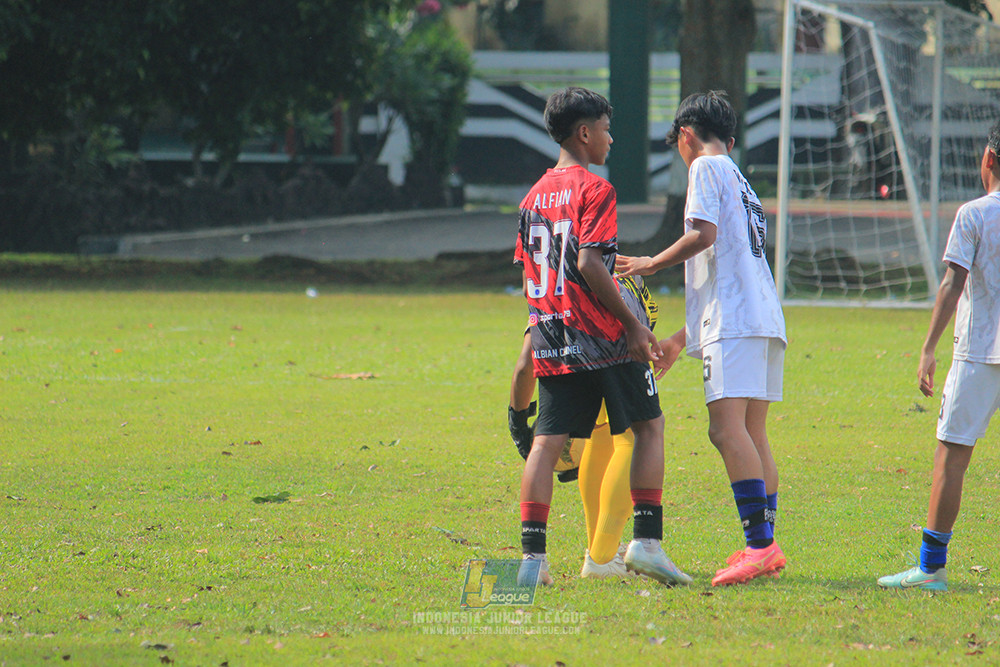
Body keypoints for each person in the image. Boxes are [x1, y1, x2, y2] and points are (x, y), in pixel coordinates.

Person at [513, 86, 691, 587]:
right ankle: (647, 543)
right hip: (604, 337)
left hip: (552, 334)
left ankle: (532, 562)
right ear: (585, 132)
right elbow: (591, 262)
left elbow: (535, 277)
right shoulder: (595, 191)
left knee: (546, 444)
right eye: (607, 130)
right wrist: (633, 326)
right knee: (647, 429)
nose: (611, 140)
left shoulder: (530, 199)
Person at [616, 91, 787, 587]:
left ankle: (760, 547)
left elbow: (704, 237)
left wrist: (649, 261)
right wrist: (680, 337)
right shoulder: (740, 178)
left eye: (679, 146)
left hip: (736, 324)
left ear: (685, 135)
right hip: (760, 319)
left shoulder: (705, 169)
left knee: (724, 430)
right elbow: (730, 268)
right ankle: (765, 544)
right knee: (752, 432)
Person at [877, 120, 1000, 592]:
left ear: (987, 159)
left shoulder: (973, 214)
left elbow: (953, 284)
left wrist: (928, 348)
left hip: (979, 354)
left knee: (951, 460)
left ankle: (931, 568)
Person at [508, 276, 659, 579]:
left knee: (593, 433)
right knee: (635, 435)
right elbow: (590, 262)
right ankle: (603, 554)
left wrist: (518, 418)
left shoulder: (547, 276)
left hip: (564, 331)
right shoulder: (599, 261)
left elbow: (526, 363)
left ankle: (564, 556)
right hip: (614, 323)